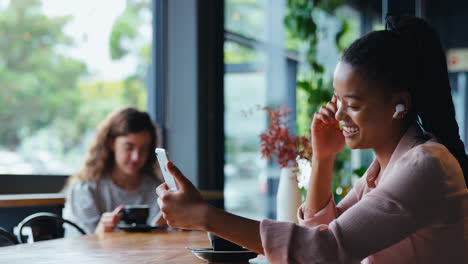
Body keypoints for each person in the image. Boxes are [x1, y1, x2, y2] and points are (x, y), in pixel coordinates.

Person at [155, 15, 468, 263]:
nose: (339, 116)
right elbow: (319, 236)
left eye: (354, 105)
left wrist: (204, 216)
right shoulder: (382, 171)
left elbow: (325, 251)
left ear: (399, 105)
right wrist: (323, 158)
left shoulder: (427, 165)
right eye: (338, 101)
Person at [63, 107, 165, 236]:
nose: (136, 157)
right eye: (129, 147)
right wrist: (100, 232)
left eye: (144, 149)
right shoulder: (85, 189)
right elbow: (79, 245)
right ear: (111, 143)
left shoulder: (157, 189)